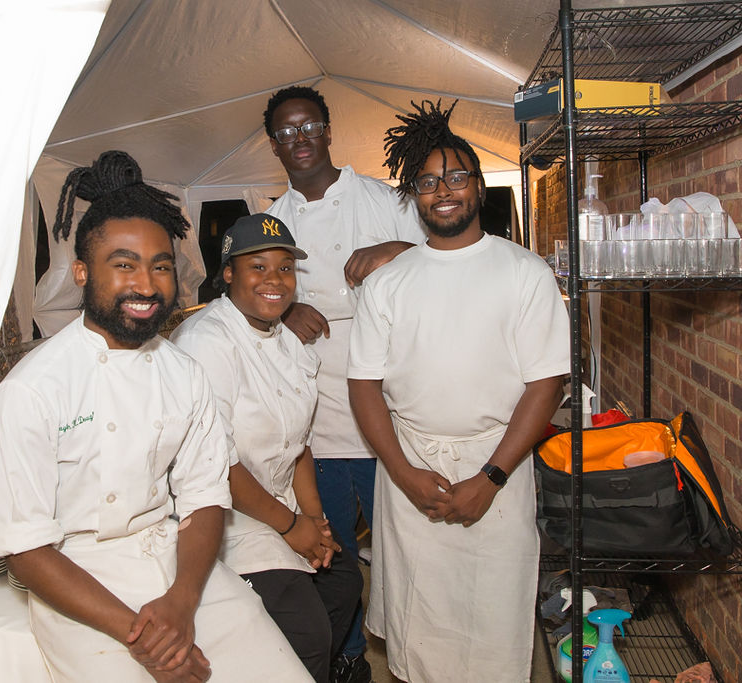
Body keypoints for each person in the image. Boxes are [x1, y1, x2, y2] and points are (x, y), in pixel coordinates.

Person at [0, 151, 312, 683]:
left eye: (160, 266)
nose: (146, 283)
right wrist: (147, 639)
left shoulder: (183, 372)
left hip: (180, 568)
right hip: (80, 585)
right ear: (83, 273)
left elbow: (205, 497)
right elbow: (26, 551)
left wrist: (181, 606)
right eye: (124, 264)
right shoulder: (30, 391)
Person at [347, 100, 571, 683]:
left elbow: (546, 383)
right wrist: (401, 471)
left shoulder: (524, 273)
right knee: (419, 627)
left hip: (498, 465)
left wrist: (490, 478)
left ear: (477, 185)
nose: (442, 190)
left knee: (494, 623)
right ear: (413, 195)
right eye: (427, 181)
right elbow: (364, 385)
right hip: (410, 467)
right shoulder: (389, 283)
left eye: (455, 176)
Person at [263, 85, 425, 682]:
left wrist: (397, 248)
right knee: (327, 554)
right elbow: (256, 291)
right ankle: (348, 654)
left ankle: (414, 653)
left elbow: (442, 257)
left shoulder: (384, 199)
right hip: (320, 414)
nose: (298, 139)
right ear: (274, 145)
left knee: (406, 551)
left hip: (390, 404)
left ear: (329, 130)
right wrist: (284, 310)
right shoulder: (273, 220)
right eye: (285, 132)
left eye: (308, 127)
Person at [171, 213, 364, 683]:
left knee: (344, 582)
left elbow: (297, 445)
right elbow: (216, 463)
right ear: (229, 273)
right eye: (257, 267)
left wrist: (315, 521)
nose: (274, 280)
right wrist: (292, 527)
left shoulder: (288, 342)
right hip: (223, 518)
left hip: (281, 506)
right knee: (305, 630)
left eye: (284, 268)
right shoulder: (207, 342)